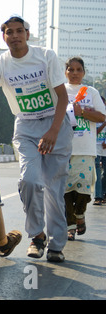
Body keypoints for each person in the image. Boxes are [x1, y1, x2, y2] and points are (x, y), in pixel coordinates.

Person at [0, 16, 73, 262]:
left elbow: (62, 98)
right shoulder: (0, 64)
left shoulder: (46, 56)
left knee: (54, 190)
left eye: (18, 31)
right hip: (25, 126)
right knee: (30, 181)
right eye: (9, 32)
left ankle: (56, 245)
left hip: (55, 123)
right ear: (4, 37)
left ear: (27, 33)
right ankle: (37, 236)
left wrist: (54, 131)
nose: (14, 36)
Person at [64, 58, 106, 241]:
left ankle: (80, 214)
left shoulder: (91, 92)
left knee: (82, 191)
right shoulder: (59, 91)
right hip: (62, 149)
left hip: (85, 149)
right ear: (65, 71)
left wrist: (81, 112)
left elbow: (102, 116)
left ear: (84, 72)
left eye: (78, 69)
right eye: (70, 69)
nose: (74, 73)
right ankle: (70, 226)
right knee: (65, 191)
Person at [94, 96, 106, 205]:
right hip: (95, 147)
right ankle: (98, 196)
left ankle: (104, 194)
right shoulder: (93, 115)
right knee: (97, 171)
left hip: (105, 147)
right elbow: (95, 132)